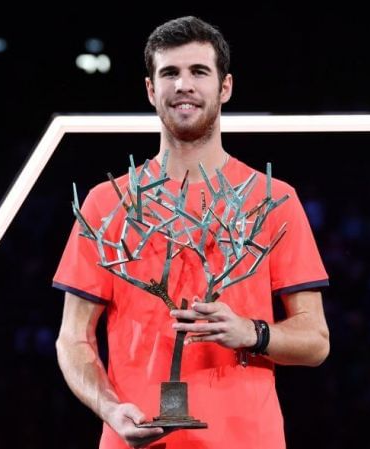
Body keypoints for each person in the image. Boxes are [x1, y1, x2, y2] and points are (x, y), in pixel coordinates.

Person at [53, 16, 330, 449]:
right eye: (170, 73)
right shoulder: (106, 203)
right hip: (135, 439)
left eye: (199, 72)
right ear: (150, 89)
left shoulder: (273, 199)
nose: (184, 85)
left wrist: (253, 333)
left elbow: (315, 340)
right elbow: (72, 338)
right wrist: (110, 409)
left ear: (225, 87)